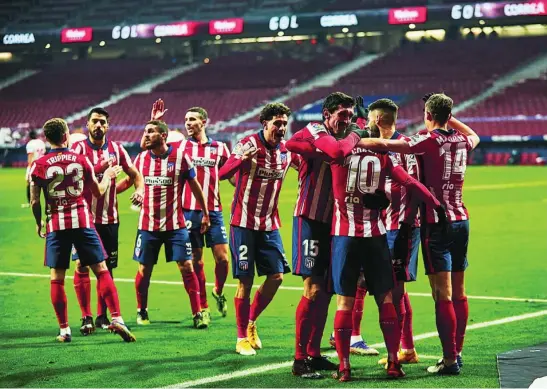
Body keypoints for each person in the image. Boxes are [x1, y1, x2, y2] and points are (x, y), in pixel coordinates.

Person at [357, 93, 480, 375]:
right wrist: (450, 118)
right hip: (462, 219)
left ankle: (449, 360)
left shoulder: (426, 140)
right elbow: (473, 135)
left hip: (436, 222)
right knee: (459, 292)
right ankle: (457, 352)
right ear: (449, 115)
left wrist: (353, 138)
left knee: (443, 295)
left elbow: (384, 142)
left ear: (427, 114)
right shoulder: (462, 140)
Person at [328, 138, 445, 380]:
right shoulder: (382, 156)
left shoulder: (337, 152)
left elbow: (298, 147)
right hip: (376, 235)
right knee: (386, 298)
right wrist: (434, 203)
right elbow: (410, 182)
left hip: (345, 236)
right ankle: (393, 362)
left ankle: (344, 367)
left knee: (344, 303)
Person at [285, 92, 374, 378]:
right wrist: (358, 132)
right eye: (341, 115)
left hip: (334, 225)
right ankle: (299, 359)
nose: (346, 121)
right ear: (327, 114)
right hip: (309, 218)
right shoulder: (315, 130)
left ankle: (313, 352)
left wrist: (358, 123)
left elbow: (347, 143)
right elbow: (336, 152)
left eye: (349, 116)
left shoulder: (345, 133)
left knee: (325, 292)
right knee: (312, 290)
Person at [29, 118, 135, 343]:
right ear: (66, 135)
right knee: (101, 269)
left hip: (57, 224)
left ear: (46, 138)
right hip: (83, 221)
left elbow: (35, 202)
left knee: (57, 277)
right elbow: (98, 192)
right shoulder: (81, 159)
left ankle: (65, 330)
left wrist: (39, 223)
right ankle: (117, 318)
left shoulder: (39, 164)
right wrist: (107, 176)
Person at [218, 102, 301, 356]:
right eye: (277, 123)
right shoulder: (248, 144)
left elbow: (306, 165)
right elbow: (222, 173)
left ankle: (252, 322)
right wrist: (240, 160)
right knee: (245, 280)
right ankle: (241, 337)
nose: (282, 128)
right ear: (265, 123)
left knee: (276, 277)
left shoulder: (287, 152)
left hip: (269, 224)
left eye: (285, 124)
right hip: (243, 223)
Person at [150, 100, 231, 326]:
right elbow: (159, 142)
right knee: (196, 261)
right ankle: (203, 308)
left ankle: (218, 289)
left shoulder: (220, 148)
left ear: (204, 122)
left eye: (192, 119)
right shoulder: (181, 148)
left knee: (223, 258)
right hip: (188, 212)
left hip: (214, 211)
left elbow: (230, 174)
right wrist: (157, 120)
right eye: (186, 120)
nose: (188, 123)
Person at [70, 107, 144, 335]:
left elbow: (135, 174)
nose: (99, 125)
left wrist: (139, 189)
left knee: (107, 268)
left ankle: (103, 316)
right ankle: (86, 316)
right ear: (88, 124)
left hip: (110, 219)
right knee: (82, 265)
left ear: (108, 126)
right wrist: (102, 170)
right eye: (95, 121)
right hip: (84, 218)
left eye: (103, 122)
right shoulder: (78, 149)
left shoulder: (117, 149)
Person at [132, 119, 211, 329]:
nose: (146, 135)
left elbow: (195, 187)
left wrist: (205, 213)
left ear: (163, 136)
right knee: (144, 269)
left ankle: (198, 313)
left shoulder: (180, 158)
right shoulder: (140, 159)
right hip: (148, 226)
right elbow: (134, 182)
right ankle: (142, 309)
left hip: (176, 226)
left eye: (151, 132)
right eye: (145, 131)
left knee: (187, 266)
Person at [362, 99, 422, 367]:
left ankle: (399, 351)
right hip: (385, 227)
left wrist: (406, 226)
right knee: (397, 291)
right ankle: (406, 348)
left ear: (376, 120)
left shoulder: (404, 148)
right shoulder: (384, 146)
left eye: (368, 119)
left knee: (393, 293)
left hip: (399, 228)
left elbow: (413, 187)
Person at [23, 130, 46, 208]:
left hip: (34, 165)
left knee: (30, 183)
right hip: (43, 165)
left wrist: (29, 169)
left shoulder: (30, 144)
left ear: (29, 136)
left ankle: (31, 202)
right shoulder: (41, 142)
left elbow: (30, 157)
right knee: (44, 184)